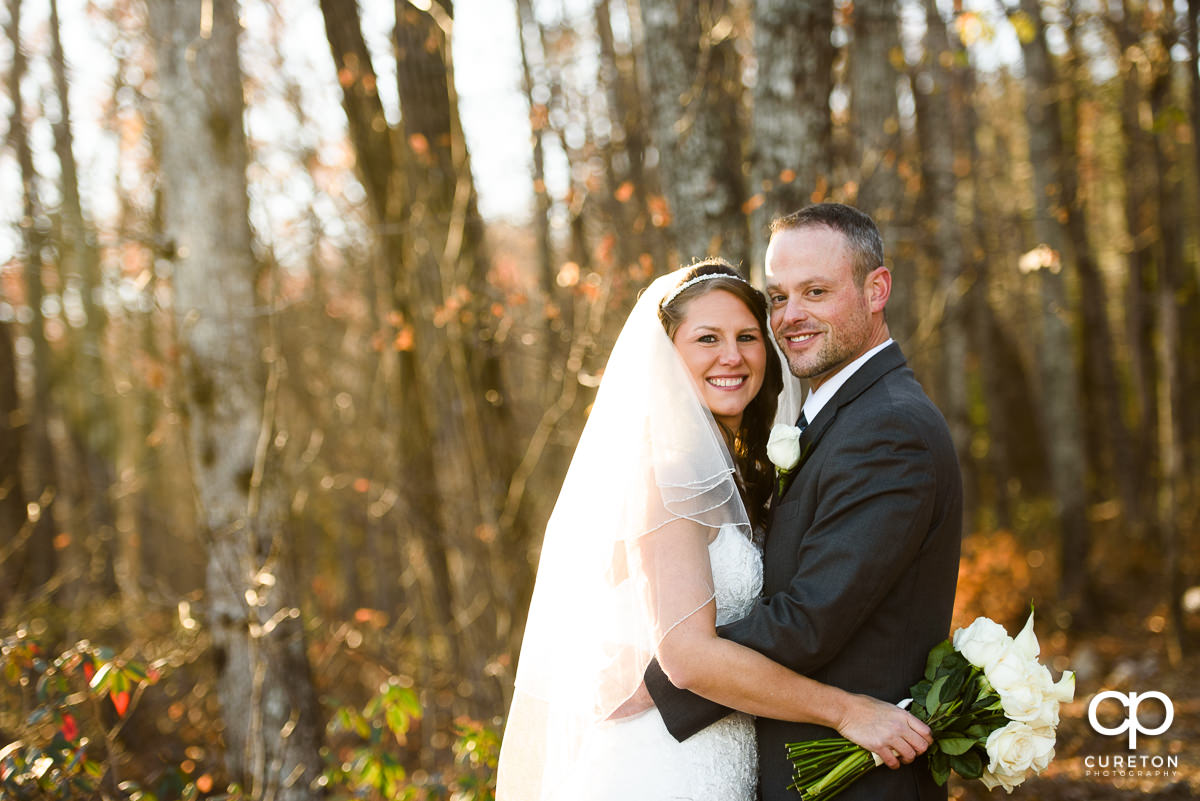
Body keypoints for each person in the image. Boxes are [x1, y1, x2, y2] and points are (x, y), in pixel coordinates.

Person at [496, 259, 932, 801]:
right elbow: (689, 658)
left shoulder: (732, 473)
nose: (732, 356)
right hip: (663, 763)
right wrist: (847, 710)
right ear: (668, 357)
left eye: (747, 336)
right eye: (707, 338)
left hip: (719, 751)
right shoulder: (668, 474)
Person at [645, 204, 964, 801]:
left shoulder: (888, 429)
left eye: (815, 292)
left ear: (877, 290)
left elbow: (808, 622)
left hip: (858, 780)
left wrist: (669, 672)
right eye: (778, 297)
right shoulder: (832, 419)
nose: (790, 317)